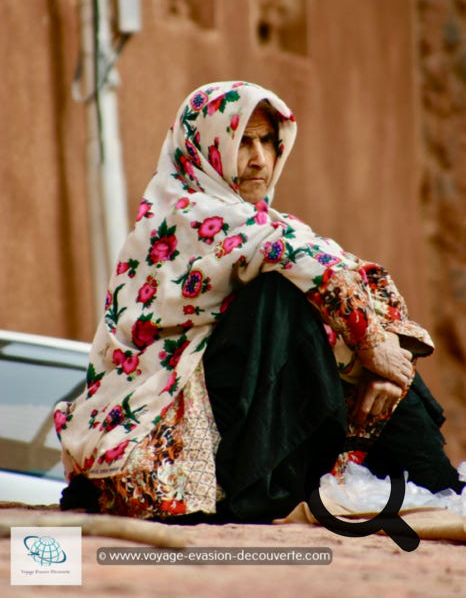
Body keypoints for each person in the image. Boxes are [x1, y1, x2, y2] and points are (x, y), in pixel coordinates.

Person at [55, 80, 464, 523]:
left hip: (251, 415)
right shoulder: (183, 217)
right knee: (280, 290)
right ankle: (429, 486)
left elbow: (355, 275)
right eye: (241, 142)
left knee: (319, 305)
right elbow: (296, 259)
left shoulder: (267, 225)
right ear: (205, 148)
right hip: (172, 446)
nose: (259, 159)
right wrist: (368, 342)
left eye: (267, 141)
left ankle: (440, 483)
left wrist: (384, 356)